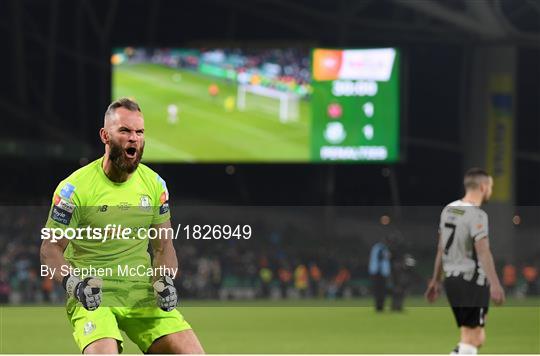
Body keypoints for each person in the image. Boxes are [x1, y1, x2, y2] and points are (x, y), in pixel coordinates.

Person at [40, 98, 204, 354]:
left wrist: (164, 281)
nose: (133, 139)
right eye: (125, 131)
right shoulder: (74, 189)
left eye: (139, 132)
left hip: (141, 293)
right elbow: (50, 249)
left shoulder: (154, 184)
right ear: (105, 135)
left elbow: (163, 246)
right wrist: (75, 285)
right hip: (93, 294)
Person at [425, 168, 505, 354]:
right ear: (484, 187)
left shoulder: (449, 209)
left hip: (452, 280)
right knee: (473, 338)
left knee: (473, 337)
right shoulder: (477, 215)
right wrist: (495, 284)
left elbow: (440, 249)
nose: (490, 191)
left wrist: (436, 280)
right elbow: (483, 251)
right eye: (491, 187)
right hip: (471, 280)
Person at [368, 239, 391, 311]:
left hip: (381, 272)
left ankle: (380, 306)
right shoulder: (379, 248)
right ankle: (379, 306)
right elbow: (380, 257)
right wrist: (387, 255)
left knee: (381, 290)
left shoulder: (380, 248)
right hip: (377, 272)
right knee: (379, 290)